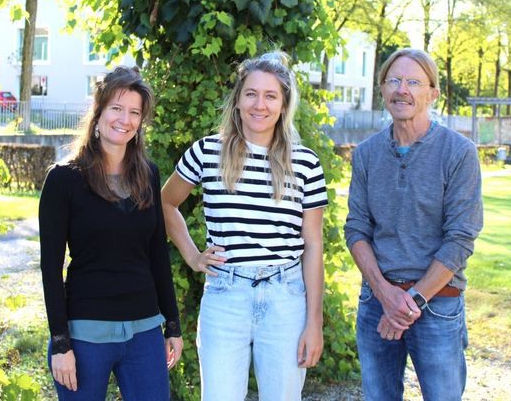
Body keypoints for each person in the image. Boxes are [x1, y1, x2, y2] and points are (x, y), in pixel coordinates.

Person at [161, 52, 328, 401]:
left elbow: (313, 246)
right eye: (251, 93)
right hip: (226, 296)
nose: (259, 104)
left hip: (285, 298)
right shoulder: (207, 152)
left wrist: (314, 322)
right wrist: (192, 256)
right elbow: (165, 203)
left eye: (271, 96)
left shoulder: (305, 163)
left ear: (284, 105)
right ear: (237, 100)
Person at [344, 48, 484, 400]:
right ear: (382, 89)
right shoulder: (366, 153)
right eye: (394, 80)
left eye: (413, 82)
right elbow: (356, 228)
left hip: (438, 303)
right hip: (377, 301)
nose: (402, 89)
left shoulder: (459, 152)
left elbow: (461, 238)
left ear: (432, 93)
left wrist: (411, 301)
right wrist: (384, 294)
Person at [39, 66, 182, 400]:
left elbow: (157, 254)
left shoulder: (148, 174)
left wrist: (172, 324)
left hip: (145, 332)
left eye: (134, 112)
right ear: (99, 111)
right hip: (85, 334)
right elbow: (50, 268)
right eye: (117, 108)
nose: (125, 119)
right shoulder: (64, 179)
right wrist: (60, 343)